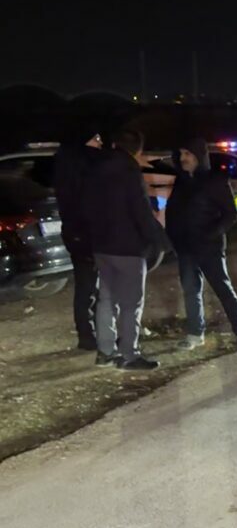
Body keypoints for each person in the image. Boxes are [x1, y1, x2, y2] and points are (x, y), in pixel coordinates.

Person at [84, 129, 171, 371]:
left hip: (102, 246)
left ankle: (105, 351)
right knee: (132, 303)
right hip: (128, 248)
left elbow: (87, 206)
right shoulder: (130, 172)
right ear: (138, 150)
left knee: (106, 300)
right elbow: (141, 211)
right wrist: (160, 240)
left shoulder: (95, 169)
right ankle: (129, 356)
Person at [165, 138, 237, 351]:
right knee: (191, 291)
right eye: (181, 154)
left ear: (198, 156)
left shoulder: (215, 180)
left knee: (223, 288)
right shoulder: (181, 181)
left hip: (209, 247)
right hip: (186, 248)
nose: (183, 159)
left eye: (187, 154)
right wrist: (172, 237)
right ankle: (195, 334)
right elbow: (173, 211)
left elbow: (230, 214)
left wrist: (212, 233)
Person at [51, 121, 104, 350]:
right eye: (96, 139)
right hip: (86, 234)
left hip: (76, 233)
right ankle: (89, 335)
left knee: (87, 286)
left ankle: (89, 333)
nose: (99, 144)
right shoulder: (82, 167)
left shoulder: (67, 164)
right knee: (89, 287)